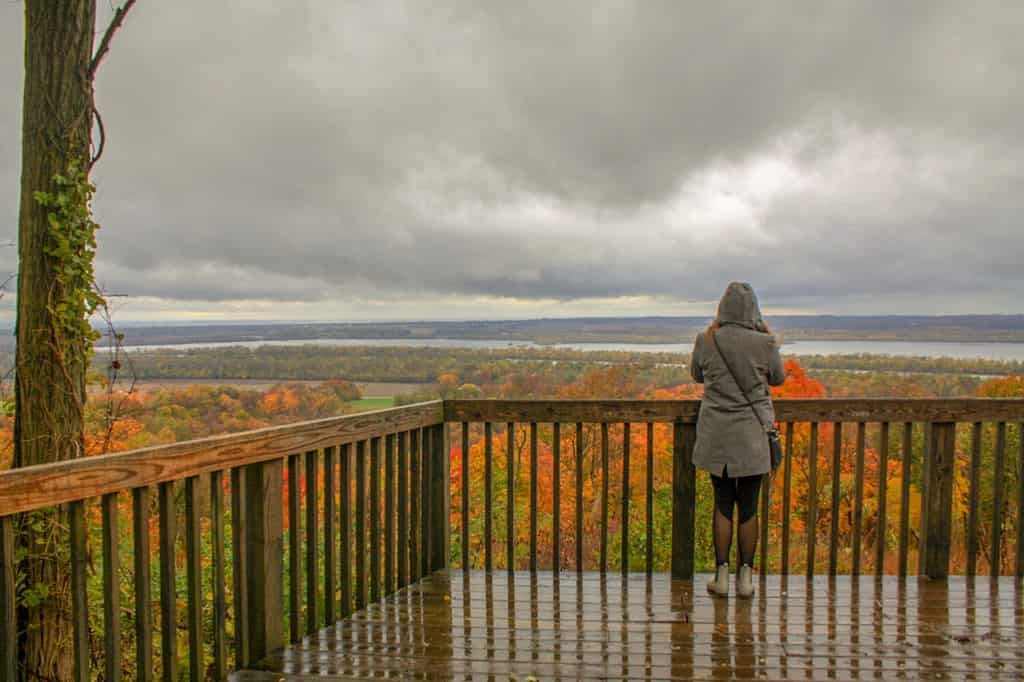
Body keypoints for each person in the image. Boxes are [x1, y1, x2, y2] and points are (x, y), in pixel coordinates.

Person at [690, 282, 785, 598]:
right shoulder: (765, 343)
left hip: (717, 435)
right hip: (752, 438)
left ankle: (721, 576)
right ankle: (746, 579)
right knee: (748, 507)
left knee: (722, 504)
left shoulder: (706, 341)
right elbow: (779, 378)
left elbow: (696, 375)